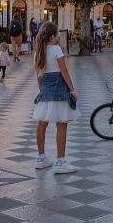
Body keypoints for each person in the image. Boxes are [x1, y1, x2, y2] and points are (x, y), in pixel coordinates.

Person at [32, 22, 79, 174]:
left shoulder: (39, 51)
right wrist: (72, 90)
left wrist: (42, 91)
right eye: (57, 33)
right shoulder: (56, 49)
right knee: (62, 123)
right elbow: (64, 71)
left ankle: (41, 158)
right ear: (52, 36)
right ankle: (60, 161)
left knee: (42, 123)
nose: (59, 36)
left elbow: (38, 75)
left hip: (45, 89)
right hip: (59, 89)